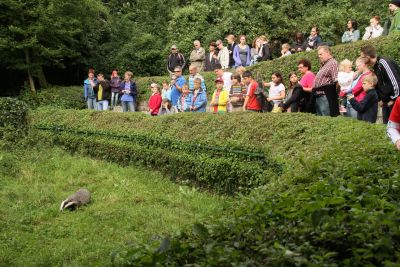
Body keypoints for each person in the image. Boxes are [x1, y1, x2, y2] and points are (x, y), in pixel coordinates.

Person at [360, 44, 400, 123]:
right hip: (387, 103)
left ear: (367, 57)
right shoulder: (376, 66)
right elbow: (381, 85)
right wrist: (381, 99)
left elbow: (396, 82)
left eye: (362, 57)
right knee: (387, 129)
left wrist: (393, 99)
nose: (361, 60)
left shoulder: (383, 62)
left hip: (395, 102)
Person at [313, 46, 339, 116]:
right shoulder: (324, 65)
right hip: (319, 97)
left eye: (321, 54)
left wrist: (332, 97)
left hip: (326, 97)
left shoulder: (333, 63)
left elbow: (337, 82)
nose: (319, 56)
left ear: (328, 52)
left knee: (326, 119)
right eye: (318, 55)